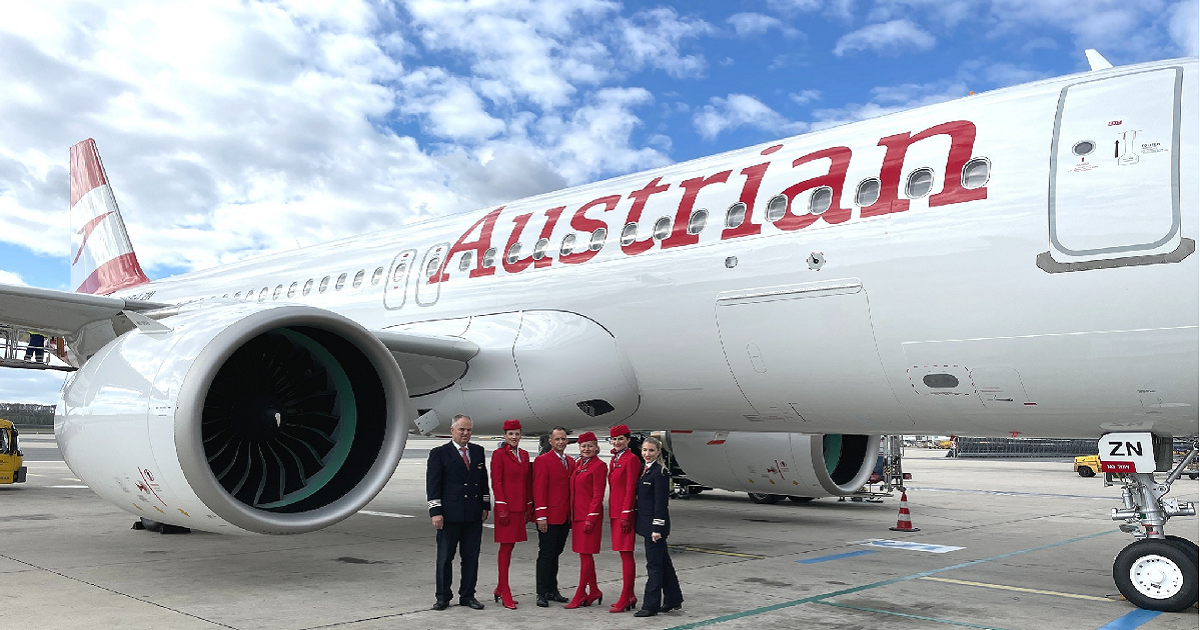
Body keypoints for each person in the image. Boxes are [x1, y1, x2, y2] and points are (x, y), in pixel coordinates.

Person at [426, 414, 490, 611]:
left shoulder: (478, 451)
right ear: (452, 431)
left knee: (471, 557)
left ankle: (468, 595)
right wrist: (435, 511)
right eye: (461, 429)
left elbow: (483, 481)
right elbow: (433, 484)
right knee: (445, 558)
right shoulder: (439, 453)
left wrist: (485, 506)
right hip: (449, 515)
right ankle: (443, 596)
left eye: (468, 429)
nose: (465, 433)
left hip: (472, 514)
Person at [634, 436, 682, 617]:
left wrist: (657, 528)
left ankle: (650, 605)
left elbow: (661, 504)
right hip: (646, 524)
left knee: (654, 566)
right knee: (664, 563)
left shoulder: (660, 472)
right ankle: (673, 599)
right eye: (644, 450)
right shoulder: (645, 470)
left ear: (658, 452)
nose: (647, 454)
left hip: (654, 527)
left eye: (651, 450)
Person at [490, 418, 533, 609]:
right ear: (504, 436)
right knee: (505, 548)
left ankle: (499, 587)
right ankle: (505, 589)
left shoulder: (524, 455)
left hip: (519, 507)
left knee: (511, 547)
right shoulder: (499, 455)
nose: (514, 437)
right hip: (505, 508)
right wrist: (501, 506)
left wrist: (529, 505)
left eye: (517, 434)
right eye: (510, 434)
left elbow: (527, 482)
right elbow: (496, 482)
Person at [532, 426, 574, 607]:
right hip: (548, 515)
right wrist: (541, 515)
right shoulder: (543, 460)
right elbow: (539, 489)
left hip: (564, 515)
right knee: (546, 554)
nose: (561, 442)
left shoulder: (571, 461)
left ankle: (552, 589)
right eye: (557, 439)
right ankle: (541, 592)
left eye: (563, 439)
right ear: (550, 441)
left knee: (556, 553)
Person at [564, 431, 607, 609]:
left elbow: (598, 495)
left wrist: (591, 517)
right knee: (584, 555)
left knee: (586, 555)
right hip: (577, 516)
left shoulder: (599, 466)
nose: (586, 449)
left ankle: (581, 593)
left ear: (596, 447)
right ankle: (594, 590)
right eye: (583, 446)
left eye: (590, 445)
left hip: (589, 517)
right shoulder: (579, 464)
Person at [606, 424, 641, 613]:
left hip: (623, 513)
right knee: (622, 553)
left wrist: (627, 513)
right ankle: (630, 595)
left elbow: (630, 489)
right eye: (614, 439)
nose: (617, 442)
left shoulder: (631, 459)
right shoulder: (615, 459)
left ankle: (627, 596)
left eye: (620, 439)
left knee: (626, 554)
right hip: (615, 512)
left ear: (628, 440)